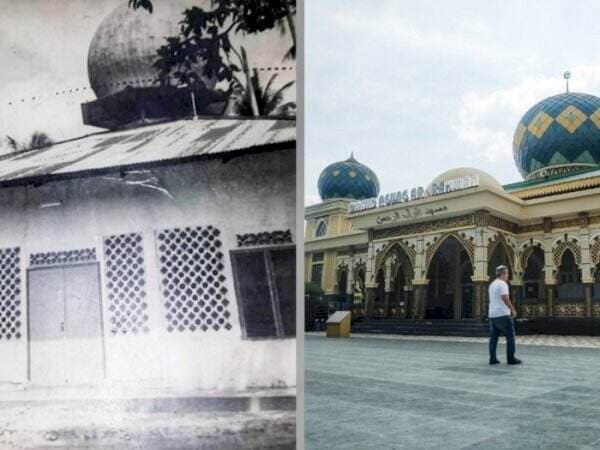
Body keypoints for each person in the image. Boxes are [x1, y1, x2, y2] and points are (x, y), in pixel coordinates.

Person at [488, 265, 522, 365]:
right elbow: (505, 297)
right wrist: (513, 309)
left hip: (493, 315)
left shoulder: (492, 284)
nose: (508, 276)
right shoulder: (502, 284)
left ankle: (492, 359)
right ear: (503, 274)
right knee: (510, 337)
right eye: (507, 273)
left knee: (493, 338)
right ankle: (511, 359)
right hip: (502, 314)